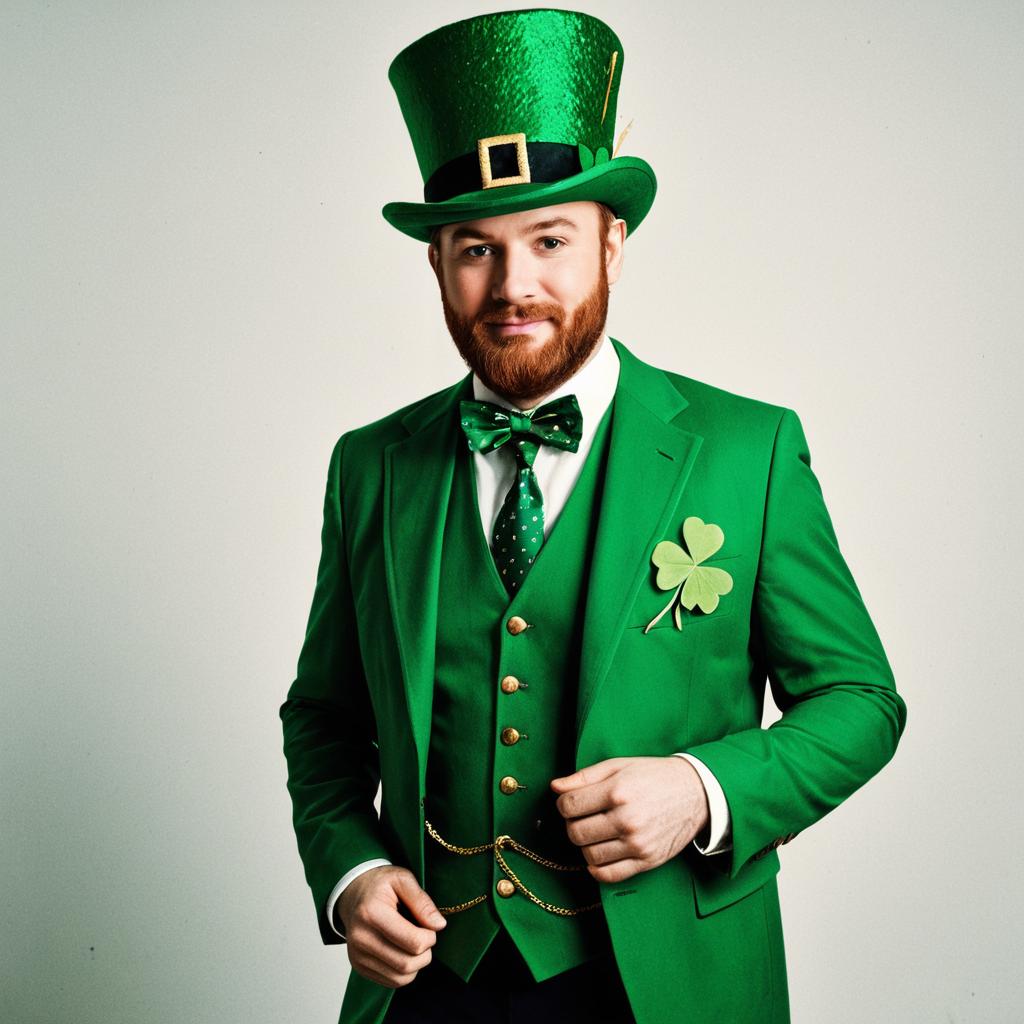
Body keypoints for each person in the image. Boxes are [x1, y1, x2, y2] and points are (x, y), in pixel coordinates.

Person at [279, 10, 906, 1024]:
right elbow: (324, 717)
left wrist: (703, 789)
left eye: (550, 240)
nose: (512, 285)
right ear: (435, 264)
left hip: (668, 983)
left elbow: (859, 698)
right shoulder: (372, 466)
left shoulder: (747, 451)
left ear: (613, 244)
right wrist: (351, 869)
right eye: (475, 248)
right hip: (431, 986)